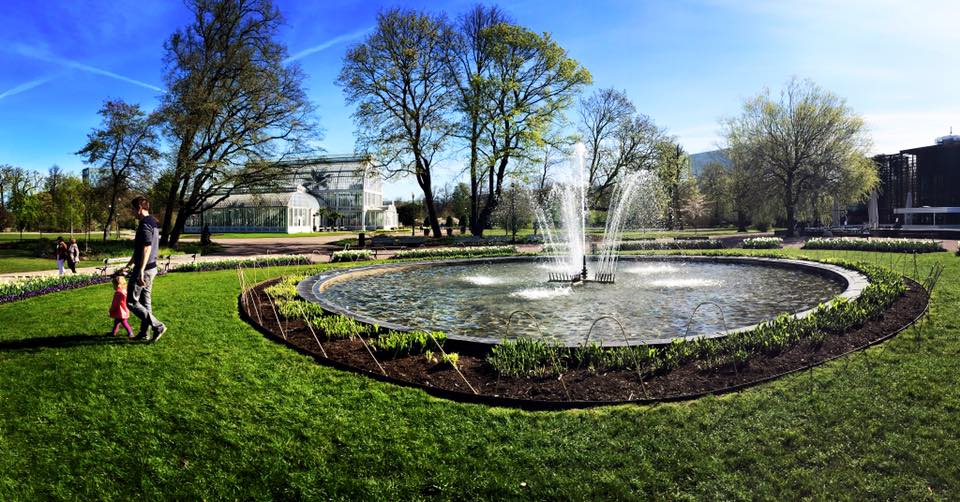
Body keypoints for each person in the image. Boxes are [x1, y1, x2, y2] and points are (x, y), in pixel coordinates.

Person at [123, 196, 167, 342]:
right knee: (145, 302)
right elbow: (139, 250)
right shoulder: (152, 222)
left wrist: (140, 270)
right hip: (151, 268)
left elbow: (147, 248)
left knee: (131, 302)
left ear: (139, 208)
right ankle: (144, 333)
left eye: (133, 209)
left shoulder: (145, 224)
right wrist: (128, 265)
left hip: (145, 269)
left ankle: (158, 326)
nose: (132, 212)